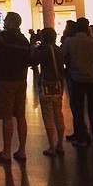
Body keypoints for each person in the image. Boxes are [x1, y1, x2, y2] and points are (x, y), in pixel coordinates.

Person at [0, 12, 31, 164]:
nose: (5, 21)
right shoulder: (24, 40)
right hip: (21, 79)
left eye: (6, 19)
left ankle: (6, 152)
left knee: (7, 116)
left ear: (11, 22)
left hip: (6, 79)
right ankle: (21, 150)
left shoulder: (3, 36)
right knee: (20, 116)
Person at [61, 17, 93, 148]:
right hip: (92, 78)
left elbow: (62, 54)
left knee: (78, 110)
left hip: (76, 78)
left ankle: (81, 138)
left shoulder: (71, 42)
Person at [31, 27, 65, 157]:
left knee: (48, 114)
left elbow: (34, 61)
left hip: (47, 83)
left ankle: (51, 145)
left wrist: (33, 48)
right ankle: (60, 144)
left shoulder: (45, 50)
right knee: (58, 113)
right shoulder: (59, 49)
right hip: (58, 84)